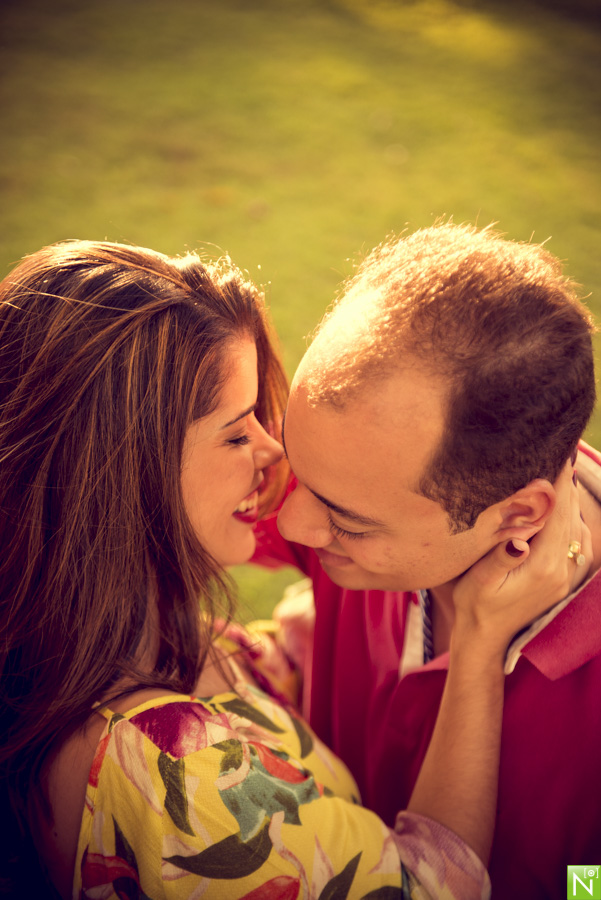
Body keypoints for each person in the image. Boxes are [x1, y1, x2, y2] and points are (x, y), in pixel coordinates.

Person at [0, 239, 582, 900]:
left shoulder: (90, 637)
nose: (275, 460)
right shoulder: (177, 771)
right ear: (127, 471)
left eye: (258, 417)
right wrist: (476, 645)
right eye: (236, 430)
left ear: (516, 515)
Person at [252, 222, 601, 900]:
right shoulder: (359, 474)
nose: (289, 521)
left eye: (345, 520)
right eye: (294, 463)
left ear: (517, 515)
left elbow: (587, 881)